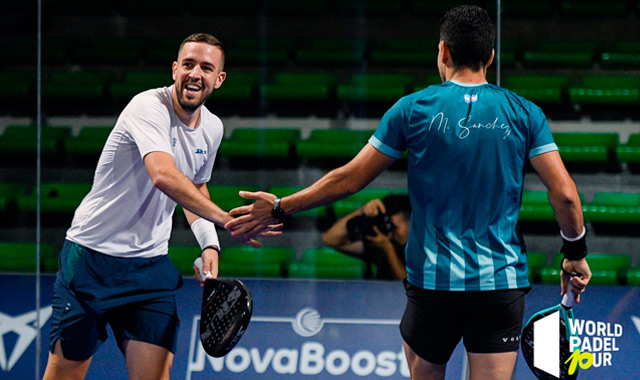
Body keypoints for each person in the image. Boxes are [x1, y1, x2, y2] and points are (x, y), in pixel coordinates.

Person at [225, 6, 592, 380]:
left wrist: (280, 206)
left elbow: (350, 179)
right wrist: (574, 254)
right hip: (499, 284)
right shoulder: (525, 113)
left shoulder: (412, 109)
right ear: (490, 56)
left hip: (433, 286)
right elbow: (564, 194)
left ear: (443, 51)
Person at [42, 33, 280, 380]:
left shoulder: (212, 128)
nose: (195, 74)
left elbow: (195, 185)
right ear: (174, 69)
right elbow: (165, 176)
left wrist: (209, 241)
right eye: (188, 64)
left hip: (149, 267)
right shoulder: (147, 106)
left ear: (219, 79)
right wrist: (229, 221)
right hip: (92, 258)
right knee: (65, 374)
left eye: (206, 67)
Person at [322, 194, 410, 280]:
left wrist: (389, 250)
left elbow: (411, 289)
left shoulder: (421, 252)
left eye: (393, 227)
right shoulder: (382, 243)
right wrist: (361, 211)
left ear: (412, 223)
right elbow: (330, 239)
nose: (390, 234)